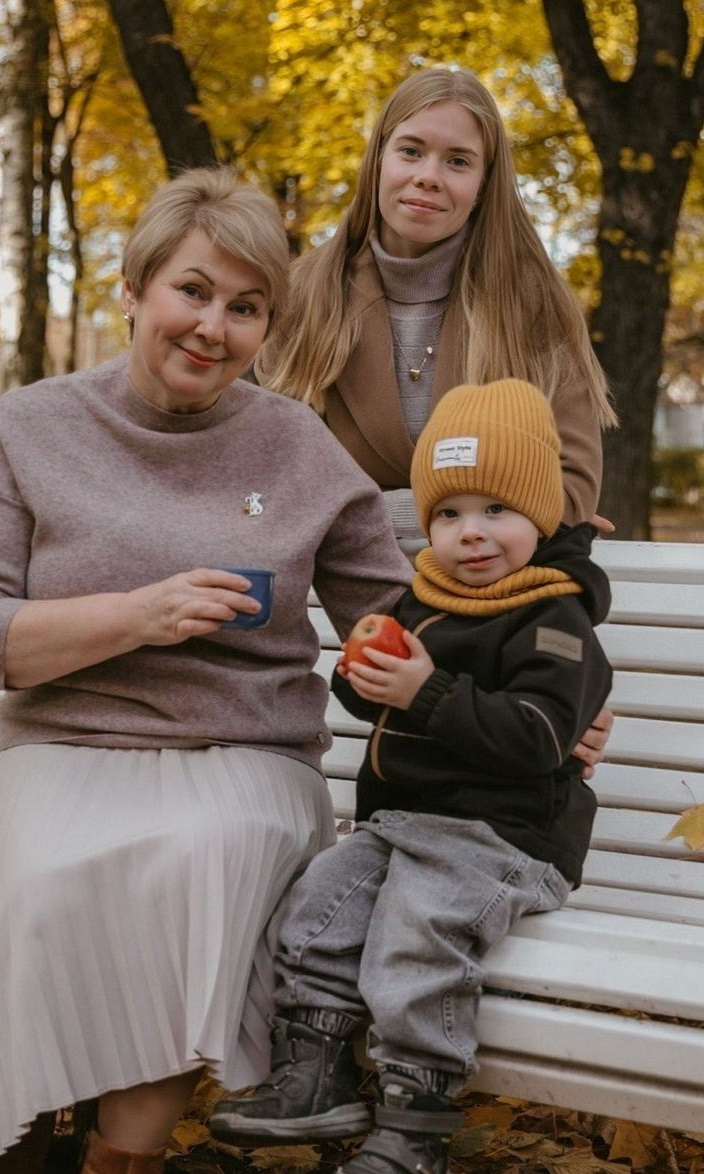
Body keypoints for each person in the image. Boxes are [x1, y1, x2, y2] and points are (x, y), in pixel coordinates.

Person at [0, 167, 414, 1174]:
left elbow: (389, 611)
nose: (214, 325)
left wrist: (519, 692)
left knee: (208, 858)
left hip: (245, 754)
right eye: (193, 290)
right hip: (67, 742)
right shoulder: (30, 426)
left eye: (246, 307)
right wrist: (134, 616)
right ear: (137, 286)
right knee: (39, 870)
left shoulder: (295, 448)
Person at [208, 379, 614, 1174]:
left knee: (416, 937)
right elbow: (374, 697)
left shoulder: (554, 622)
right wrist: (367, 675)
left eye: (498, 509)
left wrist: (425, 693)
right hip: (403, 825)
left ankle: (413, 1133)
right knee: (315, 905)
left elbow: (537, 738)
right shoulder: (422, 598)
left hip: (498, 840)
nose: (472, 532)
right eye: (450, 513)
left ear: (540, 515)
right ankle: (314, 1076)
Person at [254, 65, 615, 767]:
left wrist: (371, 512)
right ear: (379, 159)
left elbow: (569, 493)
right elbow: (277, 489)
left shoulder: (531, 300)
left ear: (485, 183)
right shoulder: (306, 296)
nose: (428, 176)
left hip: (501, 638)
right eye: (411, 150)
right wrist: (483, 507)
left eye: (458, 162)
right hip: (345, 638)